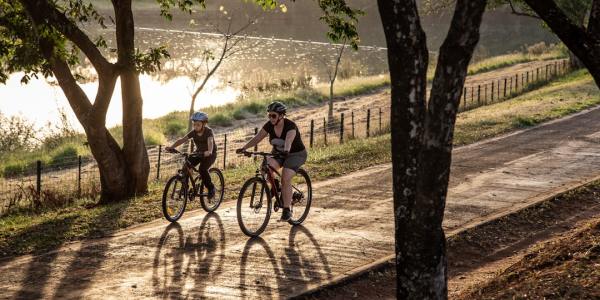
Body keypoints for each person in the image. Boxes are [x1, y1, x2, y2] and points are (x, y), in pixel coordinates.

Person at [236, 101, 308, 221]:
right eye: (269, 115)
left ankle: (286, 210)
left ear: (281, 115)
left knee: (285, 177)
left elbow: (289, 141)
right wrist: (244, 148)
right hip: (279, 153)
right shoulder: (269, 125)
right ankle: (277, 186)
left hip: (295, 154)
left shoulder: (290, 126)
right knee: (265, 167)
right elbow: (257, 138)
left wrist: (286, 151)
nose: (271, 118)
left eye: (273, 115)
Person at [166, 111, 217, 199]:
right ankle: (185, 187)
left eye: (198, 125)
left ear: (203, 124)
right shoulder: (193, 132)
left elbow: (210, 141)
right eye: (194, 124)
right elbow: (182, 140)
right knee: (186, 166)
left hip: (210, 154)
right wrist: (171, 147)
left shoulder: (208, 131)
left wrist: (209, 151)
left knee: (202, 169)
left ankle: (211, 188)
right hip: (199, 153)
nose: (196, 127)